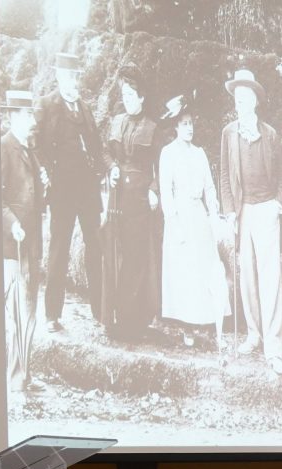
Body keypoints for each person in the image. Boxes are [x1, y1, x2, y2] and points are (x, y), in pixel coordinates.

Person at [218, 69, 282, 376]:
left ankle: (273, 346)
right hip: (243, 210)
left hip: (267, 209)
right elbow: (224, 175)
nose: (240, 103)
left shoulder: (270, 134)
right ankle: (253, 334)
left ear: (255, 101)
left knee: (270, 278)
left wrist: (278, 204)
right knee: (247, 275)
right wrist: (230, 211)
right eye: (237, 98)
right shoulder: (228, 133)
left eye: (245, 98)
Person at [36, 52, 104, 332]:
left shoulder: (85, 108)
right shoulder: (46, 105)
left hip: (88, 191)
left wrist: (101, 172)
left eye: (75, 76)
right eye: (66, 76)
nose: (71, 81)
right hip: (62, 191)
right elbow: (36, 145)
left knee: (95, 247)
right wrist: (47, 173)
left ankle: (101, 310)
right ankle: (52, 315)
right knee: (59, 249)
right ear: (58, 76)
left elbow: (96, 146)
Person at [157, 94, 231, 356]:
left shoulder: (199, 154)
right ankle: (187, 327)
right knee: (184, 272)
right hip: (180, 215)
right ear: (175, 127)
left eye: (191, 123)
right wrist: (173, 222)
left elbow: (209, 188)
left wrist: (214, 215)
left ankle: (209, 325)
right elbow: (166, 191)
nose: (189, 128)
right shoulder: (168, 153)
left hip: (199, 215)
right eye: (184, 124)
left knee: (205, 269)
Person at [100, 63, 161, 340]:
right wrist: (112, 167)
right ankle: (113, 317)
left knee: (137, 257)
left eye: (131, 95)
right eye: (124, 95)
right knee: (116, 254)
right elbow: (105, 152)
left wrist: (154, 189)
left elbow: (161, 164)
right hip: (117, 200)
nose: (126, 99)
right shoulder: (116, 122)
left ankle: (134, 321)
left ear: (142, 97)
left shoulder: (153, 128)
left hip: (140, 201)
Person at [1, 90, 48, 391]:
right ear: (14, 116)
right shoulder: (3, 147)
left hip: (30, 243)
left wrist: (44, 186)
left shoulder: (30, 149)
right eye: (28, 113)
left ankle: (24, 376)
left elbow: (34, 199)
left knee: (29, 310)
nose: (33, 119)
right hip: (12, 245)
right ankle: (13, 378)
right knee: (15, 312)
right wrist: (13, 224)